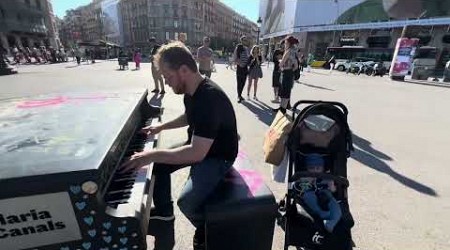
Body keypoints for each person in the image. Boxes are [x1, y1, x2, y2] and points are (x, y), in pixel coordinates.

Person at [120, 41, 238, 250]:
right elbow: (188, 117)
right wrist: (161, 128)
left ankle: (210, 229)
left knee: (187, 202)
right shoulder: (192, 90)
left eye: (169, 77)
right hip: (200, 144)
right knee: (158, 166)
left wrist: (152, 154)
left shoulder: (208, 98)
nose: (167, 83)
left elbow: (196, 154)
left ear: (184, 70)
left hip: (218, 156)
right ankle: (165, 213)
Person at [293, 154, 342, 233]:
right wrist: (307, 182)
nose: (315, 170)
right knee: (308, 196)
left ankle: (330, 223)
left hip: (326, 197)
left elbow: (334, 191)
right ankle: (322, 214)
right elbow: (298, 189)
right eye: (311, 168)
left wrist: (332, 186)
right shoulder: (304, 178)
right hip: (311, 195)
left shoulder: (326, 178)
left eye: (318, 168)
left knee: (336, 208)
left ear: (322, 169)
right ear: (307, 168)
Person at [274, 36, 298, 114]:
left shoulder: (288, 51)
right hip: (290, 73)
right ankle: (282, 108)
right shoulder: (294, 51)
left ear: (288, 43)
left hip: (285, 73)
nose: (284, 44)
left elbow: (281, 64)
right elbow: (296, 65)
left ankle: (282, 109)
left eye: (285, 42)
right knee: (287, 91)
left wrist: (281, 63)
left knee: (284, 92)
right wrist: (291, 69)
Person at [233, 36, 250, 103]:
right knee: (239, 82)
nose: (245, 41)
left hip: (245, 68)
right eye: (244, 40)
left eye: (246, 40)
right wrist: (239, 63)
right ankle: (239, 96)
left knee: (243, 82)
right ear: (241, 40)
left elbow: (248, 57)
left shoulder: (247, 48)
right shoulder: (238, 47)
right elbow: (235, 58)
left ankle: (240, 95)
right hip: (240, 68)